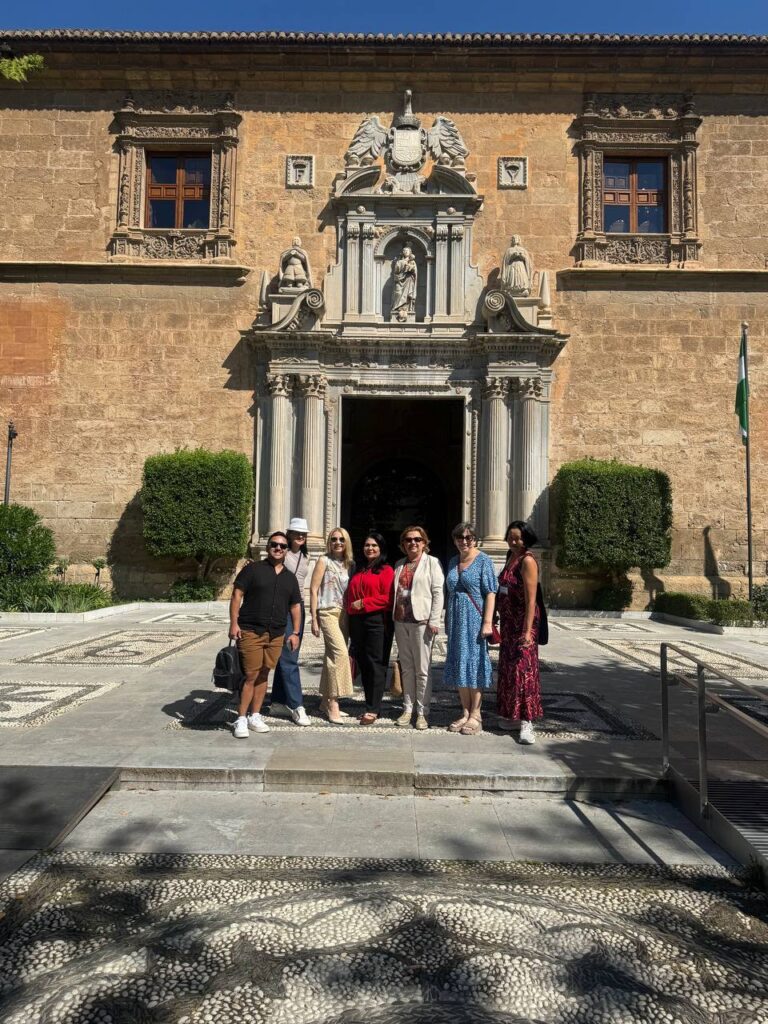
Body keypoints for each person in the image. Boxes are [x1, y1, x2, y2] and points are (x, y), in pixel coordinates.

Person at [229, 531, 302, 739]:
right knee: (251, 675)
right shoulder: (252, 570)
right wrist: (234, 623)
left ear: (287, 550)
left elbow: (295, 606)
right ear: (268, 547)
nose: (278, 548)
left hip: (276, 634)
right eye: (274, 544)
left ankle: (255, 715)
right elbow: (237, 595)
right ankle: (241, 718)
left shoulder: (289, 578)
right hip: (251, 630)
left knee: (264, 674)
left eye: (282, 546)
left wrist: (295, 632)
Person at [444, 521, 498, 735]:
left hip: (474, 620)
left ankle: (476, 714)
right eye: (460, 537)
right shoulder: (453, 561)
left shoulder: (484, 560)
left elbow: (491, 593)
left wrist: (487, 622)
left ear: (475, 539)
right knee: (459, 663)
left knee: (474, 664)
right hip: (456, 620)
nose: (464, 541)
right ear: (454, 540)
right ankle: (465, 711)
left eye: (469, 537)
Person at [392, 525, 445, 730]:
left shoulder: (432, 563)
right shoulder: (399, 564)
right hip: (401, 621)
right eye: (408, 540)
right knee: (407, 668)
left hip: (422, 622)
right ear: (403, 544)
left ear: (424, 542)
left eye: (417, 539)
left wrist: (434, 620)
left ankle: (422, 711)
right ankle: (407, 708)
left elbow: (438, 592)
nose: (412, 543)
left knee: (422, 670)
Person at [496, 520, 543, 745]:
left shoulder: (527, 560)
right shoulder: (510, 557)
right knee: (509, 669)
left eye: (518, 538)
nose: (514, 541)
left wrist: (527, 632)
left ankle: (527, 721)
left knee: (524, 671)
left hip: (523, 624)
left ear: (526, 538)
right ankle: (512, 715)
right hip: (508, 624)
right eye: (511, 537)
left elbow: (532, 600)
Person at [345, 531, 395, 725]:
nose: (370, 548)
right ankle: (369, 704)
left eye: (374, 545)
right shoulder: (359, 569)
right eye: (367, 545)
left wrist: (364, 603)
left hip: (377, 621)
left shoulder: (386, 570)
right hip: (357, 621)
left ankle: (374, 709)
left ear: (381, 548)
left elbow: (387, 598)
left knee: (376, 664)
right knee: (364, 663)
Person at [310, 526, 355, 723]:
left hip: (343, 614)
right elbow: (313, 590)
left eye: (341, 539)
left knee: (331, 657)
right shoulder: (323, 560)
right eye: (334, 539)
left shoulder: (349, 564)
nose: (338, 542)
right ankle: (333, 703)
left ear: (346, 542)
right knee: (341, 654)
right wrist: (314, 618)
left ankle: (324, 701)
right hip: (327, 611)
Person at [269, 516, 312, 726]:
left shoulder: (305, 556)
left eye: (303, 533)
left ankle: (278, 701)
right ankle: (296, 705)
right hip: (283, 607)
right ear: (289, 534)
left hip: (299, 607)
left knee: (286, 655)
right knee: (289, 657)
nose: (300, 536)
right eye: (296, 533)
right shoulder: (283, 553)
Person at [390, 246, 417, 322]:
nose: (405, 251)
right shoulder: (399, 262)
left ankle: (406, 309)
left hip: (409, 280)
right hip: (399, 280)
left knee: (408, 295)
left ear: (410, 252)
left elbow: (415, 272)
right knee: (398, 293)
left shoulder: (412, 262)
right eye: (404, 250)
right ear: (402, 252)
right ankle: (396, 308)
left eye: (407, 250)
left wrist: (411, 268)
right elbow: (396, 272)